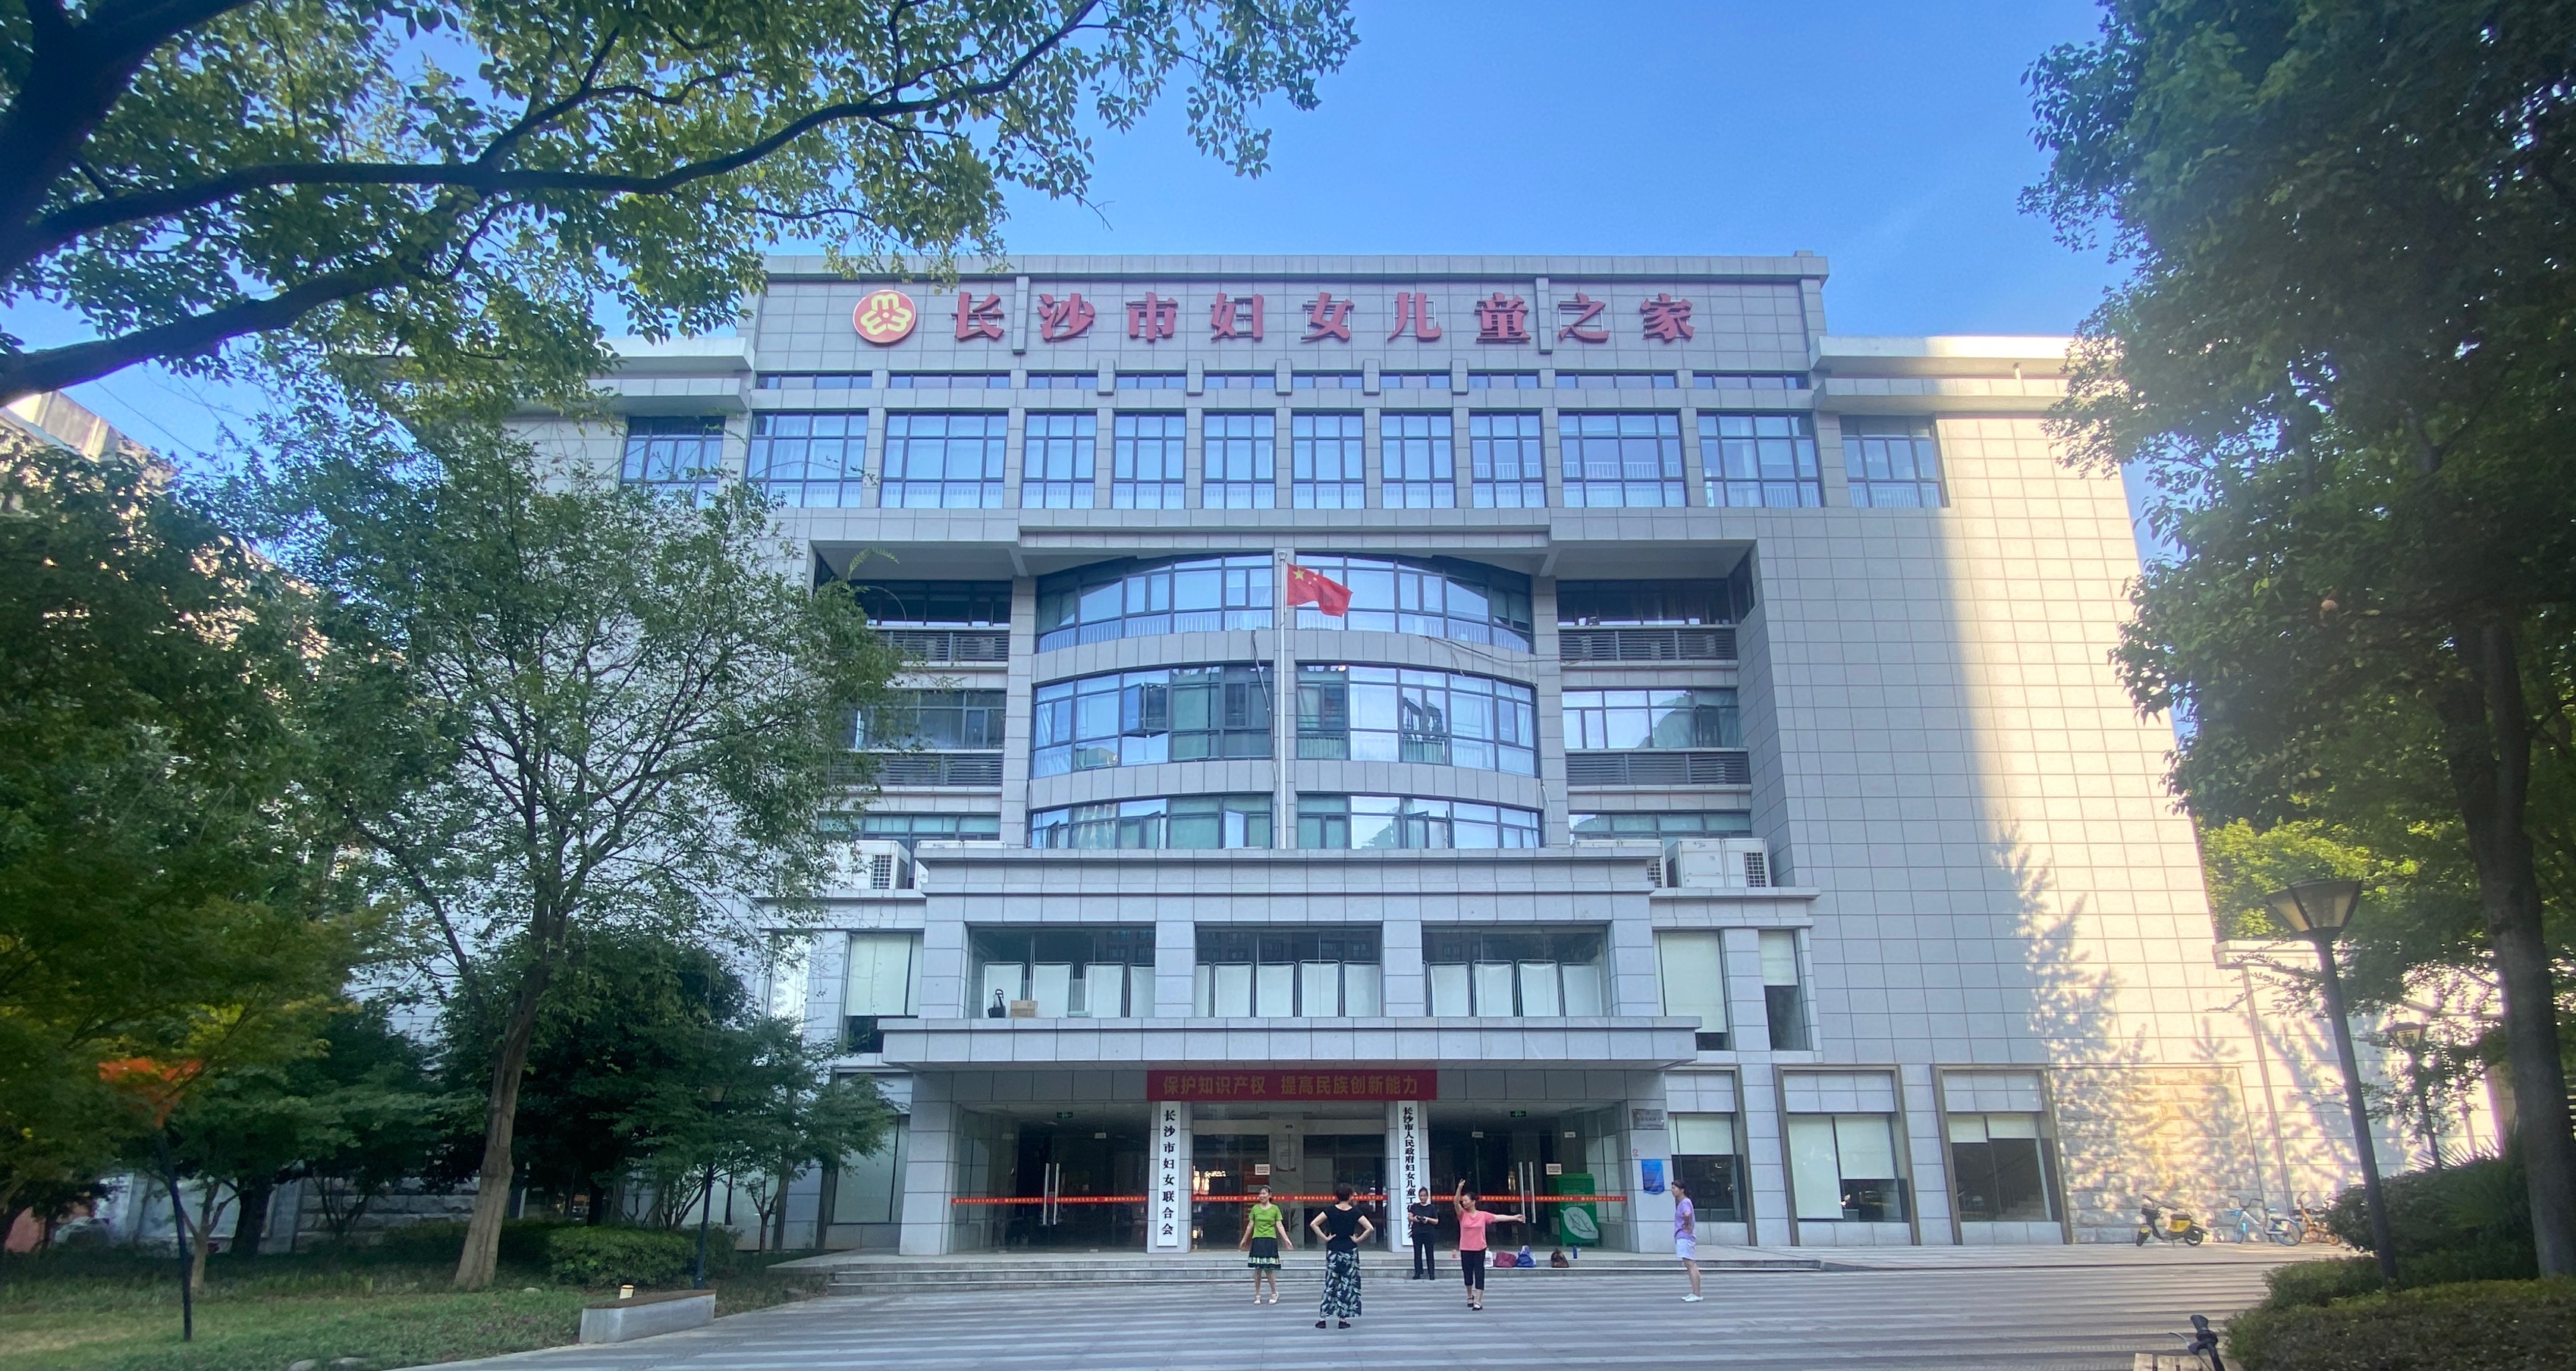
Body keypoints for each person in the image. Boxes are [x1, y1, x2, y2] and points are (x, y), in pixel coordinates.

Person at [1308, 1181, 1375, 1329]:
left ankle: (1323, 1318)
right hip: (1350, 1251)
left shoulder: (1330, 1211)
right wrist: (1357, 1239)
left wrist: (1325, 1238)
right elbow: (1370, 1228)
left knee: (1330, 1284)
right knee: (1347, 1284)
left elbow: (1314, 1224)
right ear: (1350, 1196)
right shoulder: (1355, 1212)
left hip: (1333, 1250)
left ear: (1336, 1196)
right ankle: (1342, 1319)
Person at [1452, 1181, 1527, 1311]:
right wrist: (1459, 1188)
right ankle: (1469, 1295)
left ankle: (1478, 1301)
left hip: (1479, 1249)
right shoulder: (1462, 1215)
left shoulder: (1483, 1215)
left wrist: (1515, 1217)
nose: (1464, 1203)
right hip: (1465, 1248)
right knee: (1467, 1273)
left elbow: (1498, 1218)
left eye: (1466, 1201)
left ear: (1473, 1202)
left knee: (1479, 1273)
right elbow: (1455, 1202)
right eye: (1463, 1201)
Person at [1237, 1184, 1292, 1305]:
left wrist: (1286, 1239)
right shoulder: (1255, 1209)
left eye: (1264, 1193)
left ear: (1270, 1195)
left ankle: (1274, 1293)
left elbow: (1279, 1225)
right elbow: (1250, 1225)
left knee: (1268, 1269)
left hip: (1270, 1240)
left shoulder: (1275, 1209)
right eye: (1260, 1194)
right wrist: (1244, 1240)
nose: (1261, 1196)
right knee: (1257, 1269)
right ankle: (1257, 1295)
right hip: (1257, 1240)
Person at [1672, 1178, 1702, 1303]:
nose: (1672, 1190)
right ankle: (1695, 1292)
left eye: (1674, 1188)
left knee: (1691, 1264)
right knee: (1688, 1265)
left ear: (1682, 1190)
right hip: (1683, 1236)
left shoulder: (1685, 1202)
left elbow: (1687, 1214)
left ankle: (1697, 1293)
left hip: (1685, 1236)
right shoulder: (1682, 1202)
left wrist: (1687, 1225)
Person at [1406, 1187, 1440, 1280]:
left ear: (1427, 1196)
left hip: (1429, 1233)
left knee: (1430, 1253)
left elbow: (1436, 1221)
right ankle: (1417, 1273)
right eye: (1421, 1196)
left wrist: (1427, 1219)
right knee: (1417, 1253)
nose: (1423, 1198)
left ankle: (1431, 1273)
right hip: (1417, 1233)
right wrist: (1415, 1219)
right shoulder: (1415, 1206)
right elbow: (1410, 1217)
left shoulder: (1431, 1207)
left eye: (1424, 1196)